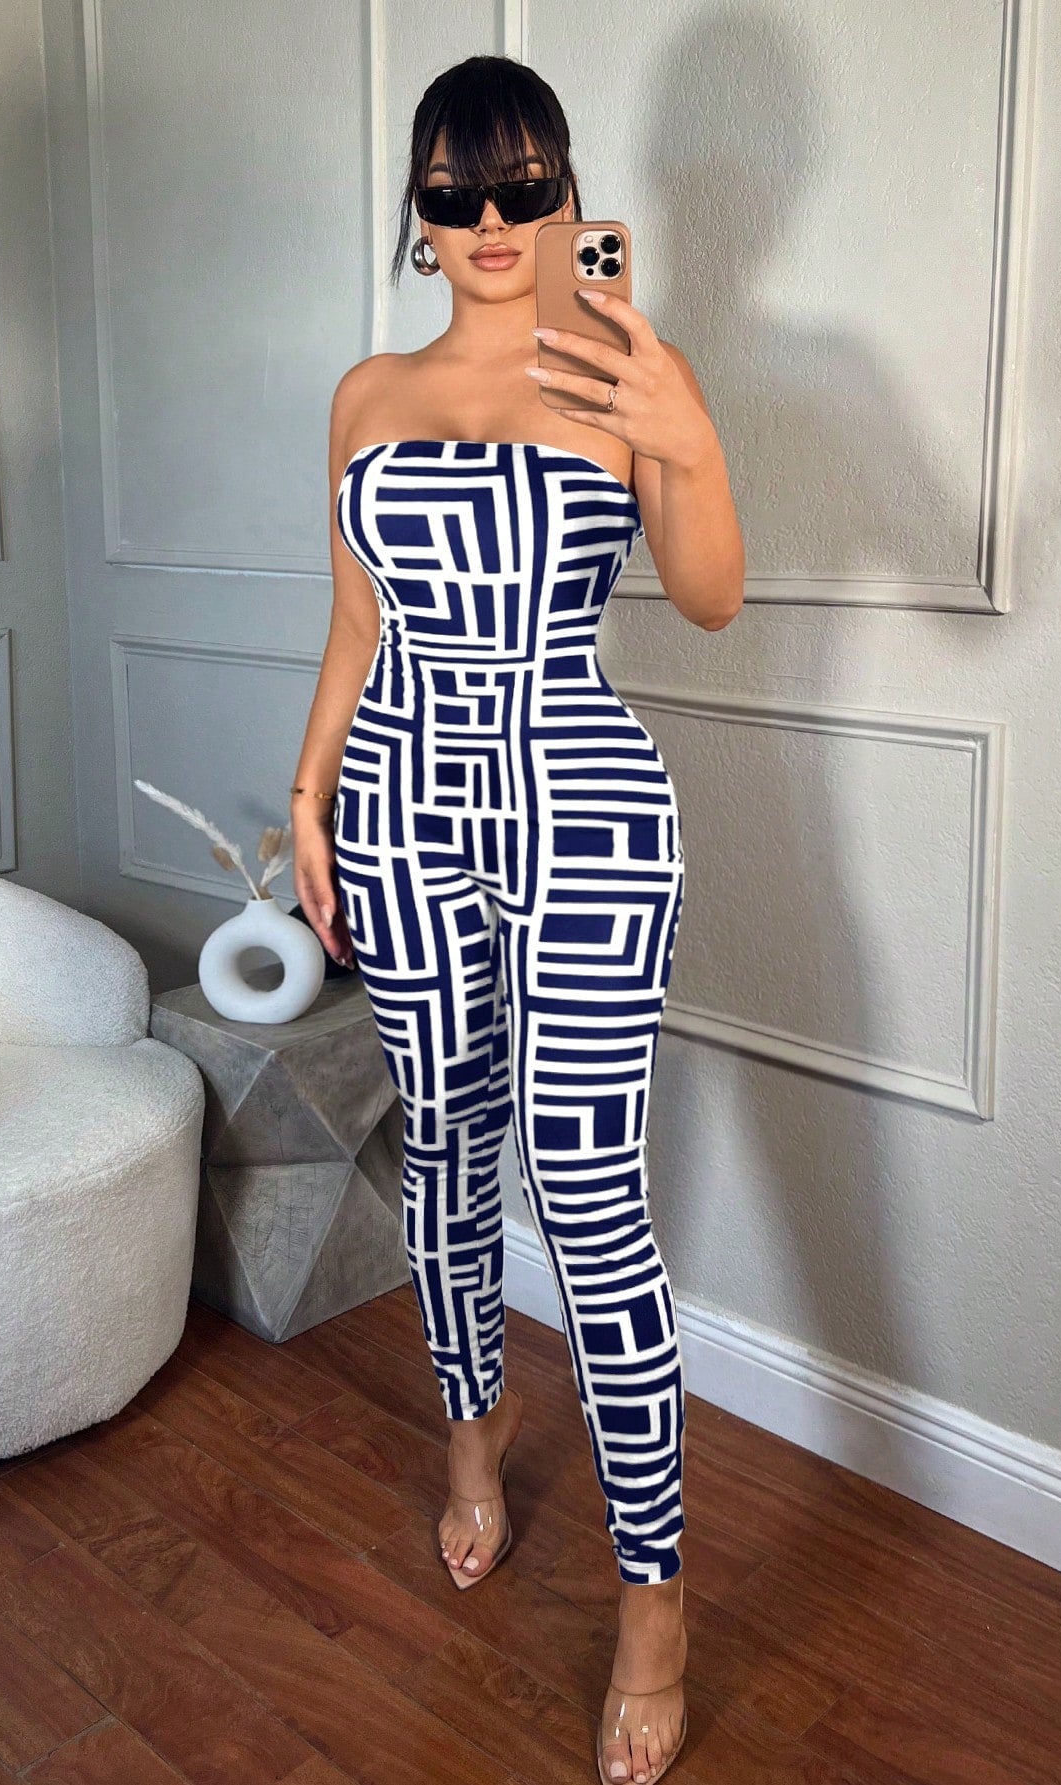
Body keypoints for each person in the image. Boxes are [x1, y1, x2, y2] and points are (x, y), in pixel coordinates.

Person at [291, 53, 743, 1785]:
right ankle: (471, 1440)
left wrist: (683, 432)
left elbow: (709, 597)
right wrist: (311, 799)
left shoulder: (620, 370)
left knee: (592, 1195)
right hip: (399, 799)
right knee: (446, 1144)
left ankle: (655, 1601)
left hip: (583, 802)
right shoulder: (369, 392)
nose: (492, 220)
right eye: (455, 190)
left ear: (567, 193)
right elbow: (355, 621)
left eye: (524, 185)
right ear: (420, 211)